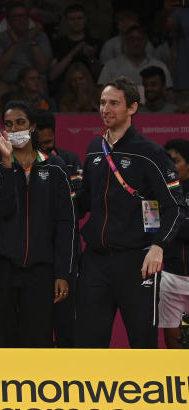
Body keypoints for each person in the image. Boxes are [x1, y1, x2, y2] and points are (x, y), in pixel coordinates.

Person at [75, 77, 184, 348]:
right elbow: (86, 201)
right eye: (102, 102)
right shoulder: (93, 150)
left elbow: (175, 206)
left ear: (132, 108)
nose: (105, 109)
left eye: (114, 103)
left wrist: (159, 246)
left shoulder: (151, 153)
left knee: (142, 343)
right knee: (90, 343)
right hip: (95, 261)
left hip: (137, 261)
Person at [0, 101, 75, 347]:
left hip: (41, 271)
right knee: (3, 341)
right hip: (2, 270)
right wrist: (6, 163)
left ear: (33, 127)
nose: (15, 129)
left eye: (21, 123)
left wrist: (62, 273)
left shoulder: (55, 167)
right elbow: (0, 211)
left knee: (38, 341)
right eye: (9, 125)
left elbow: (65, 223)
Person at [35, 108, 83, 348]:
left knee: (68, 328)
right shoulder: (22, 164)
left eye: (49, 142)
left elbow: (80, 206)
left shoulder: (70, 161)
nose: (45, 148)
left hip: (68, 256)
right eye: (40, 144)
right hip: (36, 258)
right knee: (37, 329)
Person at [160, 139, 189, 349]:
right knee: (174, 340)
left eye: (176, 161)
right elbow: (151, 228)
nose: (171, 167)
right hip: (170, 276)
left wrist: (171, 225)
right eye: (167, 161)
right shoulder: (157, 192)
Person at [0, 3, 52, 90]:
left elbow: (43, 68)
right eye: (17, 16)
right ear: (8, 20)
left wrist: (32, 41)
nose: (22, 19)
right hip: (9, 83)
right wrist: (14, 45)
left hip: (35, 83)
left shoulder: (40, 36)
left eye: (25, 16)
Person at [98, 26, 172, 88]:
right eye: (132, 39)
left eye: (140, 39)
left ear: (146, 41)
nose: (136, 43)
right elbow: (101, 92)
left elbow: (168, 92)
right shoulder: (110, 67)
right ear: (125, 41)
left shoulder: (160, 66)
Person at [48, 4, 101, 91]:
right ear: (66, 21)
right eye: (72, 19)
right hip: (65, 88)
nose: (76, 22)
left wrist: (91, 57)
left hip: (91, 88)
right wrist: (75, 50)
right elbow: (52, 76)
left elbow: (100, 76)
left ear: (85, 20)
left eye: (79, 18)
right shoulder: (58, 43)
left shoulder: (95, 42)